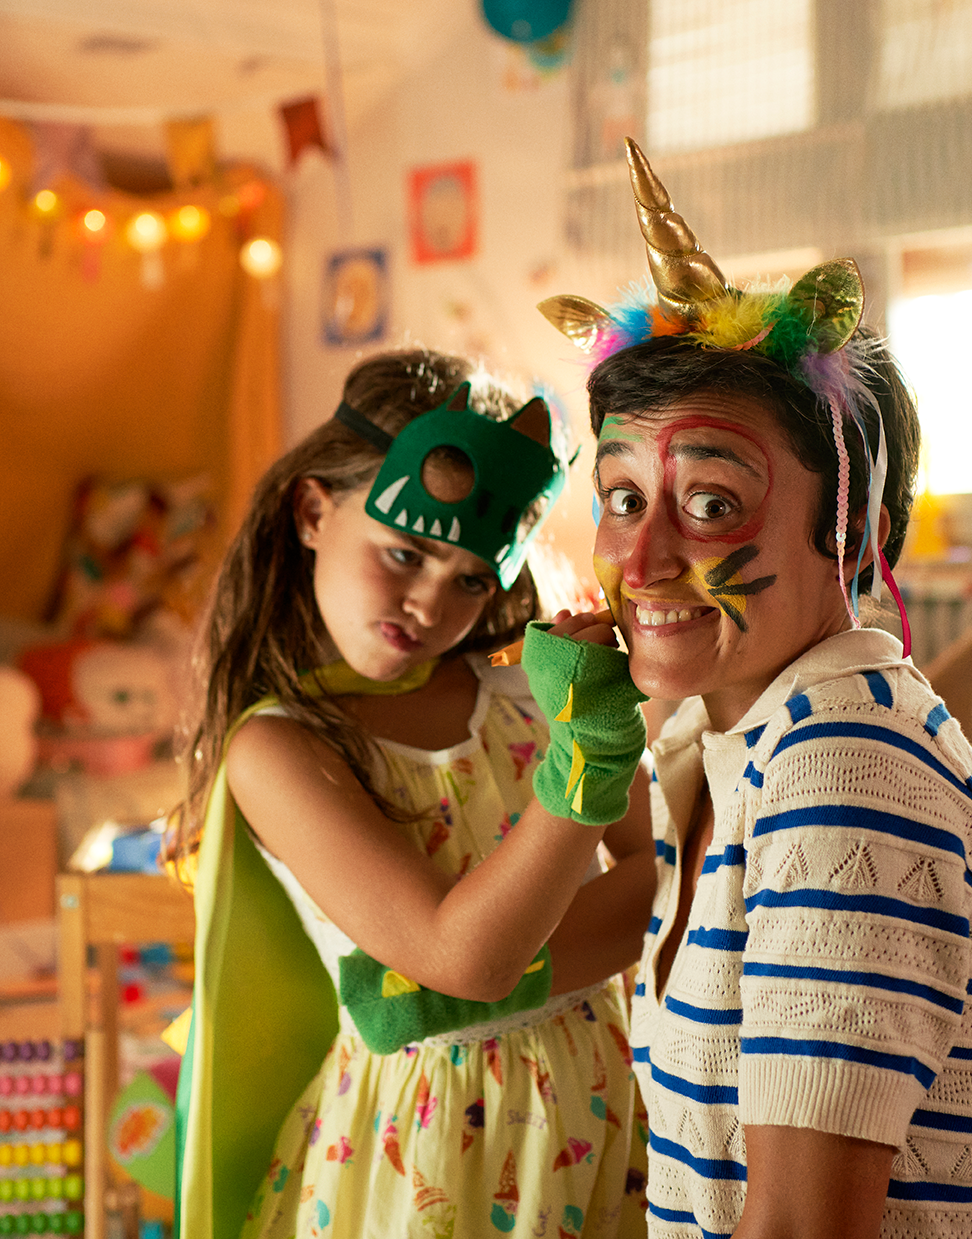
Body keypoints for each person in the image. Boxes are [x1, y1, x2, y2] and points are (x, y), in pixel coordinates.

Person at [536, 139, 972, 1239]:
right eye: (622, 498)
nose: (640, 560)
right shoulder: (722, 741)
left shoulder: (843, 777)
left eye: (711, 504)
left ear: (852, 535)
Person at [172, 349, 654, 1239]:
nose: (430, 604)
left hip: (601, 1123)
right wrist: (588, 753)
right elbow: (466, 957)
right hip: (421, 1160)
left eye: (471, 578)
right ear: (312, 512)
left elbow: (665, 877)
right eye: (404, 552)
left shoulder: (525, 693)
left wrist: (467, 976)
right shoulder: (279, 749)